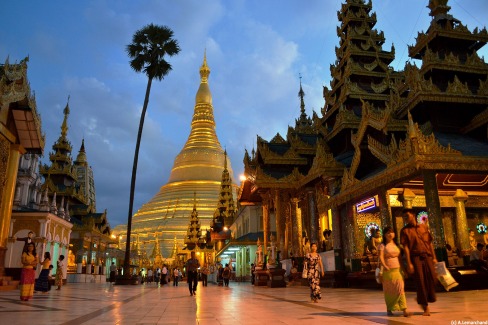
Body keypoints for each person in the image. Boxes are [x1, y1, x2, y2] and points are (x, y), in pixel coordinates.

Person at [400, 209, 437, 316]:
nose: (406, 219)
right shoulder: (404, 231)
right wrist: (409, 263)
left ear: (413, 215)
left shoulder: (423, 227)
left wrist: (434, 257)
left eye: (407, 216)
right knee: (420, 281)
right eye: (404, 217)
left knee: (433, 279)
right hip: (415, 258)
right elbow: (406, 248)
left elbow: (430, 243)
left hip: (427, 256)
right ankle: (425, 307)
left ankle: (422, 298)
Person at [378, 227, 411, 317]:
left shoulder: (397, 245)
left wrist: (404, 270)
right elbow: (381, 257)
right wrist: (385, 266)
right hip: (388, 271)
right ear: (384, 235)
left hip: (398, 269)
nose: (390, 234)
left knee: (400, 289)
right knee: (390, 290)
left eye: (392, 232)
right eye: (388, 233)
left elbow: (400, 258)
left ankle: (404, 309)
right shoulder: (382, 245)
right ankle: (389, 308)